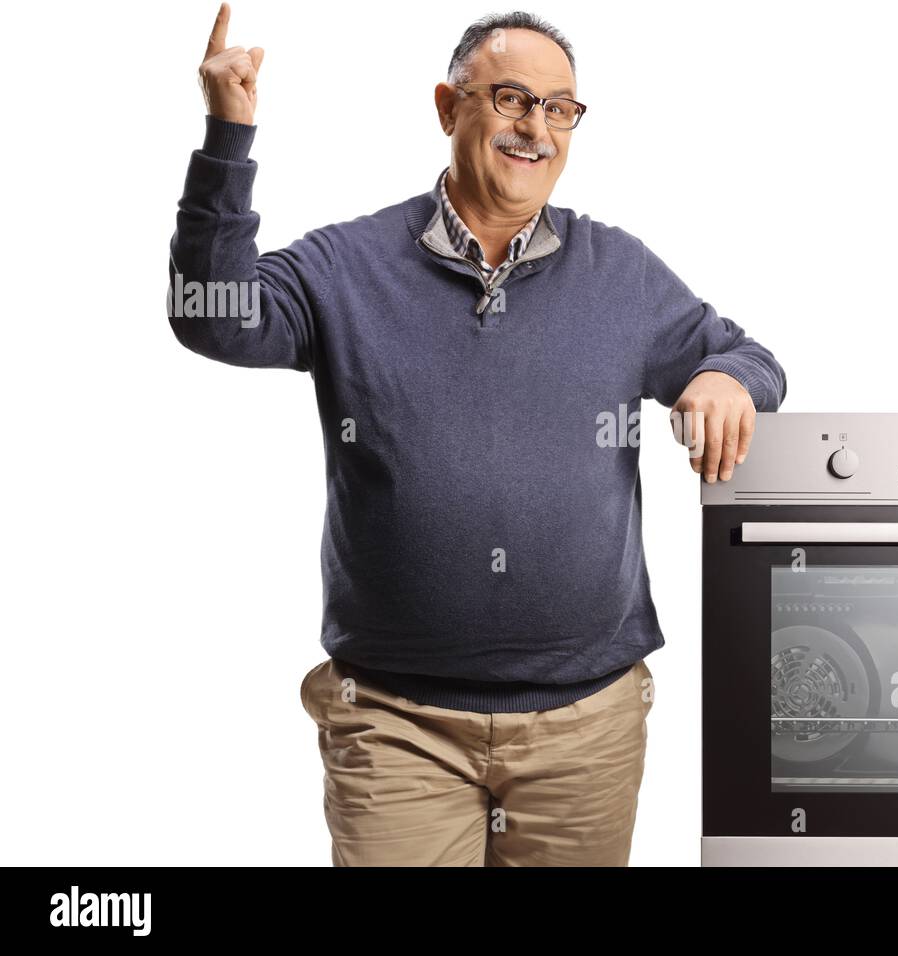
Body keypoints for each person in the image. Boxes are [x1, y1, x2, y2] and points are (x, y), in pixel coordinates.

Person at [169, 4, 787, 865]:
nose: (536, 128)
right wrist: (228, 137)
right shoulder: (348, 266)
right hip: (395, 725)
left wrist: (725, 376)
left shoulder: (621, 272)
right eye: (510, 98)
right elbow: (215, 319)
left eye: (559, 108)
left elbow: (747, 356)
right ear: (446, 106)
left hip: (587, 728)